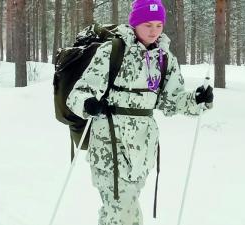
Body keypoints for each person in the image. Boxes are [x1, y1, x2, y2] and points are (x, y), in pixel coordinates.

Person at [66, 0, 214, 224]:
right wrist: (88, 104)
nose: (154, 31)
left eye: (158, 25)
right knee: (126, 215)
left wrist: (197, 99)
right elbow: (77, 94)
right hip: (110, 149)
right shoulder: (113, 51)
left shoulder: (165, 59)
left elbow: (171, 101)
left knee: (115, 214)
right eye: (147, 25)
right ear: (134, 23)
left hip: (143, 152)